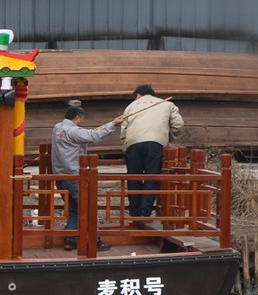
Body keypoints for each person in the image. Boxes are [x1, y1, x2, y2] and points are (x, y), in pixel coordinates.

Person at [51, 104, 123, 250]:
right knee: (89, 207)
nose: (82, 122)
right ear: (77, 118)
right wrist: (113, 123)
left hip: (60, 176)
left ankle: (70, 240)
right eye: (82, 119)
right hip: (74, 175)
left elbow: (85, 133)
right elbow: (94, 136)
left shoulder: (57, 128)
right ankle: (94, 241)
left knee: (74, 209)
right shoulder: (73, 131)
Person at [120, 83, 184, 225]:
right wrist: (167, 137)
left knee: (133, 178)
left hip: (133, 144)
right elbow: (178, 124)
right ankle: (145, 214)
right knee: (151, 178)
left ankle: (134, 213)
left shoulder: (131, 106)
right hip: (155, 143)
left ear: (138, 95)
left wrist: (126, 146)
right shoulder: (167, 104)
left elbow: (124, 130)